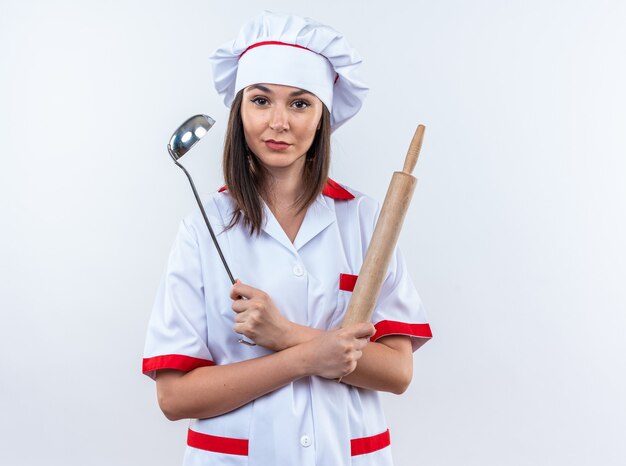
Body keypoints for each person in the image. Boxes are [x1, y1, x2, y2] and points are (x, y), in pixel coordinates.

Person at [143, 11, 432, 466]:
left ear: (322, 117)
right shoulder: (203, 229)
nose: (279, 122)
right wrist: (305, 357)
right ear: (239, 110)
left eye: (300, 103)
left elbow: (397, 372)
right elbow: (174, 398)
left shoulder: (362, 218)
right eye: (261, 100)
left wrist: (285, 334)